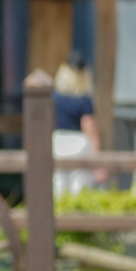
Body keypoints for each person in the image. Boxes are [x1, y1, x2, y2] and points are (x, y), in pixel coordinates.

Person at [53, 51, 107, 186]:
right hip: (78, 144)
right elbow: (90, 130)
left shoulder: (54, 98)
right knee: (79, 189)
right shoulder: (83, 100)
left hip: (57, 142)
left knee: (58, 188)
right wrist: (98, 164)